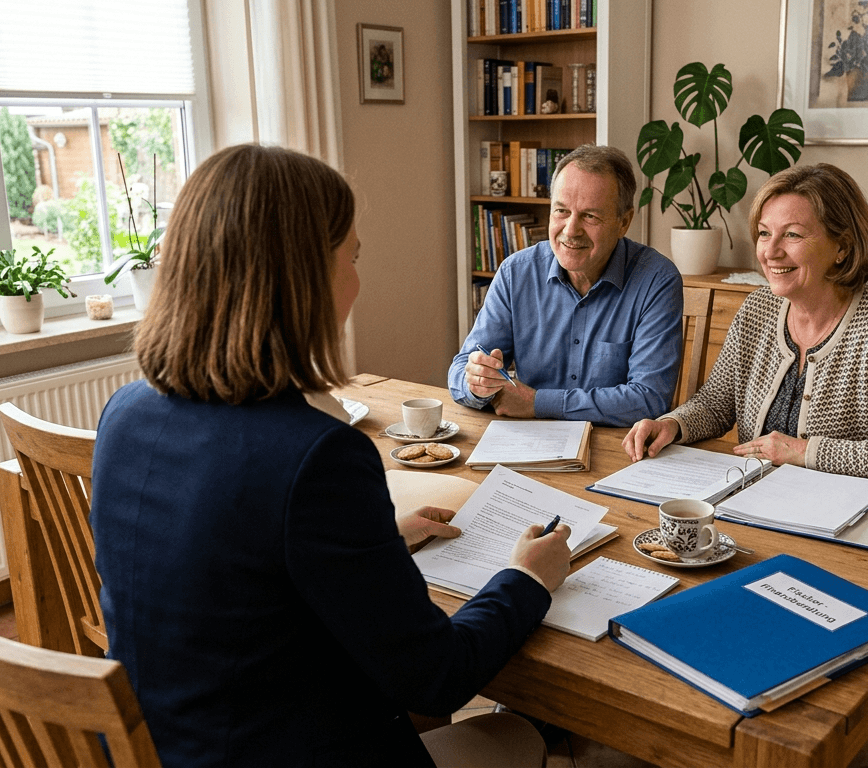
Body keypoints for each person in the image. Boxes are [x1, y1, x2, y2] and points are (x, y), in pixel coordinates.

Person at [90, 144, 571, 768]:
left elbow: (234, 568)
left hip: (172, 748)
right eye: (353, 256)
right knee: (531, 738)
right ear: (304, 277)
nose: (357, 279)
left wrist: (375, 543)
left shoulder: (124, 415)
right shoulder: (317, 457)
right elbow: (438, 678)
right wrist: (528, 578)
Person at [623, 163, 868, 486]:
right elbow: (716, 404)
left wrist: (801, 452)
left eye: (792, 234)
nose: (771, 252)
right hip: (754, 496)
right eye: (765, 233)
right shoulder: (758, 308)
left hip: (840, 510)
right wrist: (672, 425)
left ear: (843, 247)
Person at [448, 144, 683, 427]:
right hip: (527, 445)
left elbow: (648, 398)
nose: (571, 230)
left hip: (617, 451)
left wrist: (537, 403)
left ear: (624, 222)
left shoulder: (656, 280)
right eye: (561, 211)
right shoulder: (516, 273)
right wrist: (476, 382)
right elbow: (461, 370)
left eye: (590, 216)